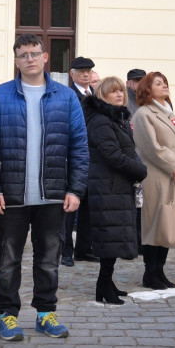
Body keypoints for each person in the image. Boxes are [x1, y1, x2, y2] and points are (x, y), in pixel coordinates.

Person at [0, 34, 88, 340]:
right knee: (7, 258)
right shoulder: (0, 96)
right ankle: (6, 315)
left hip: (53, 194)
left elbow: (79, 146)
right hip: (11, 195)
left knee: (49, 257)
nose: (30, 59)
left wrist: (75, 189)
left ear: (45, 58)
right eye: (23, 54)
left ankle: (45, 312)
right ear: (16, 61)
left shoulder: (66, 98)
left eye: (35, 53)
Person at [83, 77, 148, 304]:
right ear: (103, 95)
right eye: (113, 92)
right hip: (107, 186)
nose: (120, 95)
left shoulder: (116, 118)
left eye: (121, 90)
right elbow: (112, 154)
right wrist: (140, 169)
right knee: (108, 238)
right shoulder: (101, 120)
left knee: (113, 237)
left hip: (117, 185)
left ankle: (107, 283)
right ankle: (103, 286)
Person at [133, 72, 175, 289]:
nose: (164, 86)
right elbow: (151, 148)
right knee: (156, 224)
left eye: (165, 83)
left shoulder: (170, 113)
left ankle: (159, 270)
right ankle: (150, 272)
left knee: (168, 223)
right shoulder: (144, 114)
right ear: (147, 89)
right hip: (157, 176)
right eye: (158, 84)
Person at [62, 56, 97, 265]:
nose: (86, 74)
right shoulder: (69, 95)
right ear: (72, 74)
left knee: (88, 207)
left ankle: (84, 248)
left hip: (92, 156)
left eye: (89, 71)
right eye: (82, 71)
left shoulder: (95, 95)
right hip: (73, 156)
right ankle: (66, 250)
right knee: (69, 207)